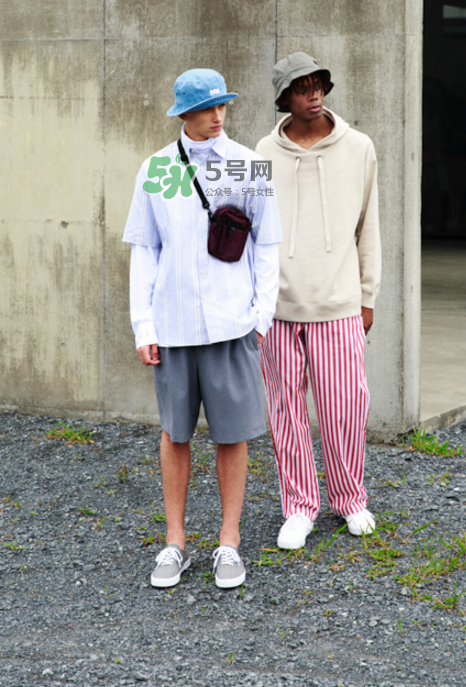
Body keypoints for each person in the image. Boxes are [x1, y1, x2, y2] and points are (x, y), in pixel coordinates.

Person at [123, 69, 282, 587]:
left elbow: (267, 244)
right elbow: (145, 250)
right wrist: (143, 325)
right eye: (206, 107)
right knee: (175, 433)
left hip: (232, 323)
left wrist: (260, 317)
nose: (217, 116)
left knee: (232, 435)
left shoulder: (249, 166)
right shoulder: (156, 169)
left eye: (222, 106)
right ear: (183, 113)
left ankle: (228, 542)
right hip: (172, 325)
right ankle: (175, 543)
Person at [256, 52, 381, 549]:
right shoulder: (262, 152)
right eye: (301, 87)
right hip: (277, 307)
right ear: (284, 97)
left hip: (339, 303)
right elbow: (254, 232)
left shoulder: (359, 148)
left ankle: (350, 499)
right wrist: (255, 302)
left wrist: (367, 296)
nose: (313, 95)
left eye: (318, 85)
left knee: (345, 407)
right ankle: (299, 506)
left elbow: (369, 227)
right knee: (285, 410)